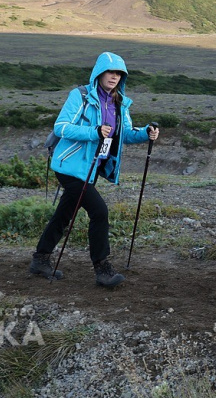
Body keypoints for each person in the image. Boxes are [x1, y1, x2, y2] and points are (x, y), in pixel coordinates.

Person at [30, 52, 159, 287]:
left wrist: (145, 133)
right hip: (69, 166)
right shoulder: (81, 97)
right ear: (99, 73)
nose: (115, 77)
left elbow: (125, 135)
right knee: (99, 212)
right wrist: (94, 132)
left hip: (91, 168)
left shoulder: (120, 102)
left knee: (64, 213)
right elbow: (61, 127)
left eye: (119, 73)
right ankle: (102, 269)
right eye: (110, 72)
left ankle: (41, 258)